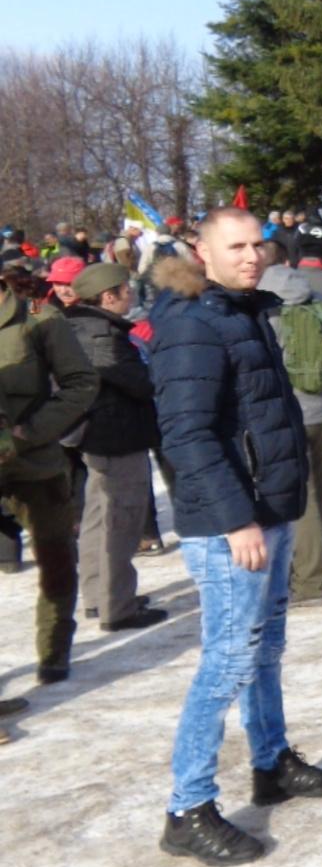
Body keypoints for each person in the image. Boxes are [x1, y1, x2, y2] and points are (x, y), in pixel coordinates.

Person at [149, 208, 322, 866]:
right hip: (229, 523)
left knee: (265, 649)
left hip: (267, 508)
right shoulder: (192, 323)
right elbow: (186, 435)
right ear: (200, 251)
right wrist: (237, 517)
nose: (251, 255)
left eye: (257, 243)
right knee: (227, 661)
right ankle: (188, 806)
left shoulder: (240, 310)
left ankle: (271, 761)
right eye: (234, 246)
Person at [0, 261, 99, 676]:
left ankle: (54, 653)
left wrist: (30, 432)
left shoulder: (38, 318)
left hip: (35, 462)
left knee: (56, 559)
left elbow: (81, 383)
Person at [63, 263, 168, 631]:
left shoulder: (80, 327)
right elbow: (140, 383)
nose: (131, 296)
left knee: (98, 516)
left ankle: (97, 595)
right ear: (108, 296)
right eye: (126, 291)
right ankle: (117, 606)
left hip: (99, 435)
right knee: (120, 521)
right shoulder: (103, 337)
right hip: (116, 436)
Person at [259, 253, 322, 607]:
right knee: (318, 497)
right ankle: (313, 569)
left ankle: (308, 583)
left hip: (289, 414)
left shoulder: (268, 312)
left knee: (301, 500)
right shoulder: (316, 300)